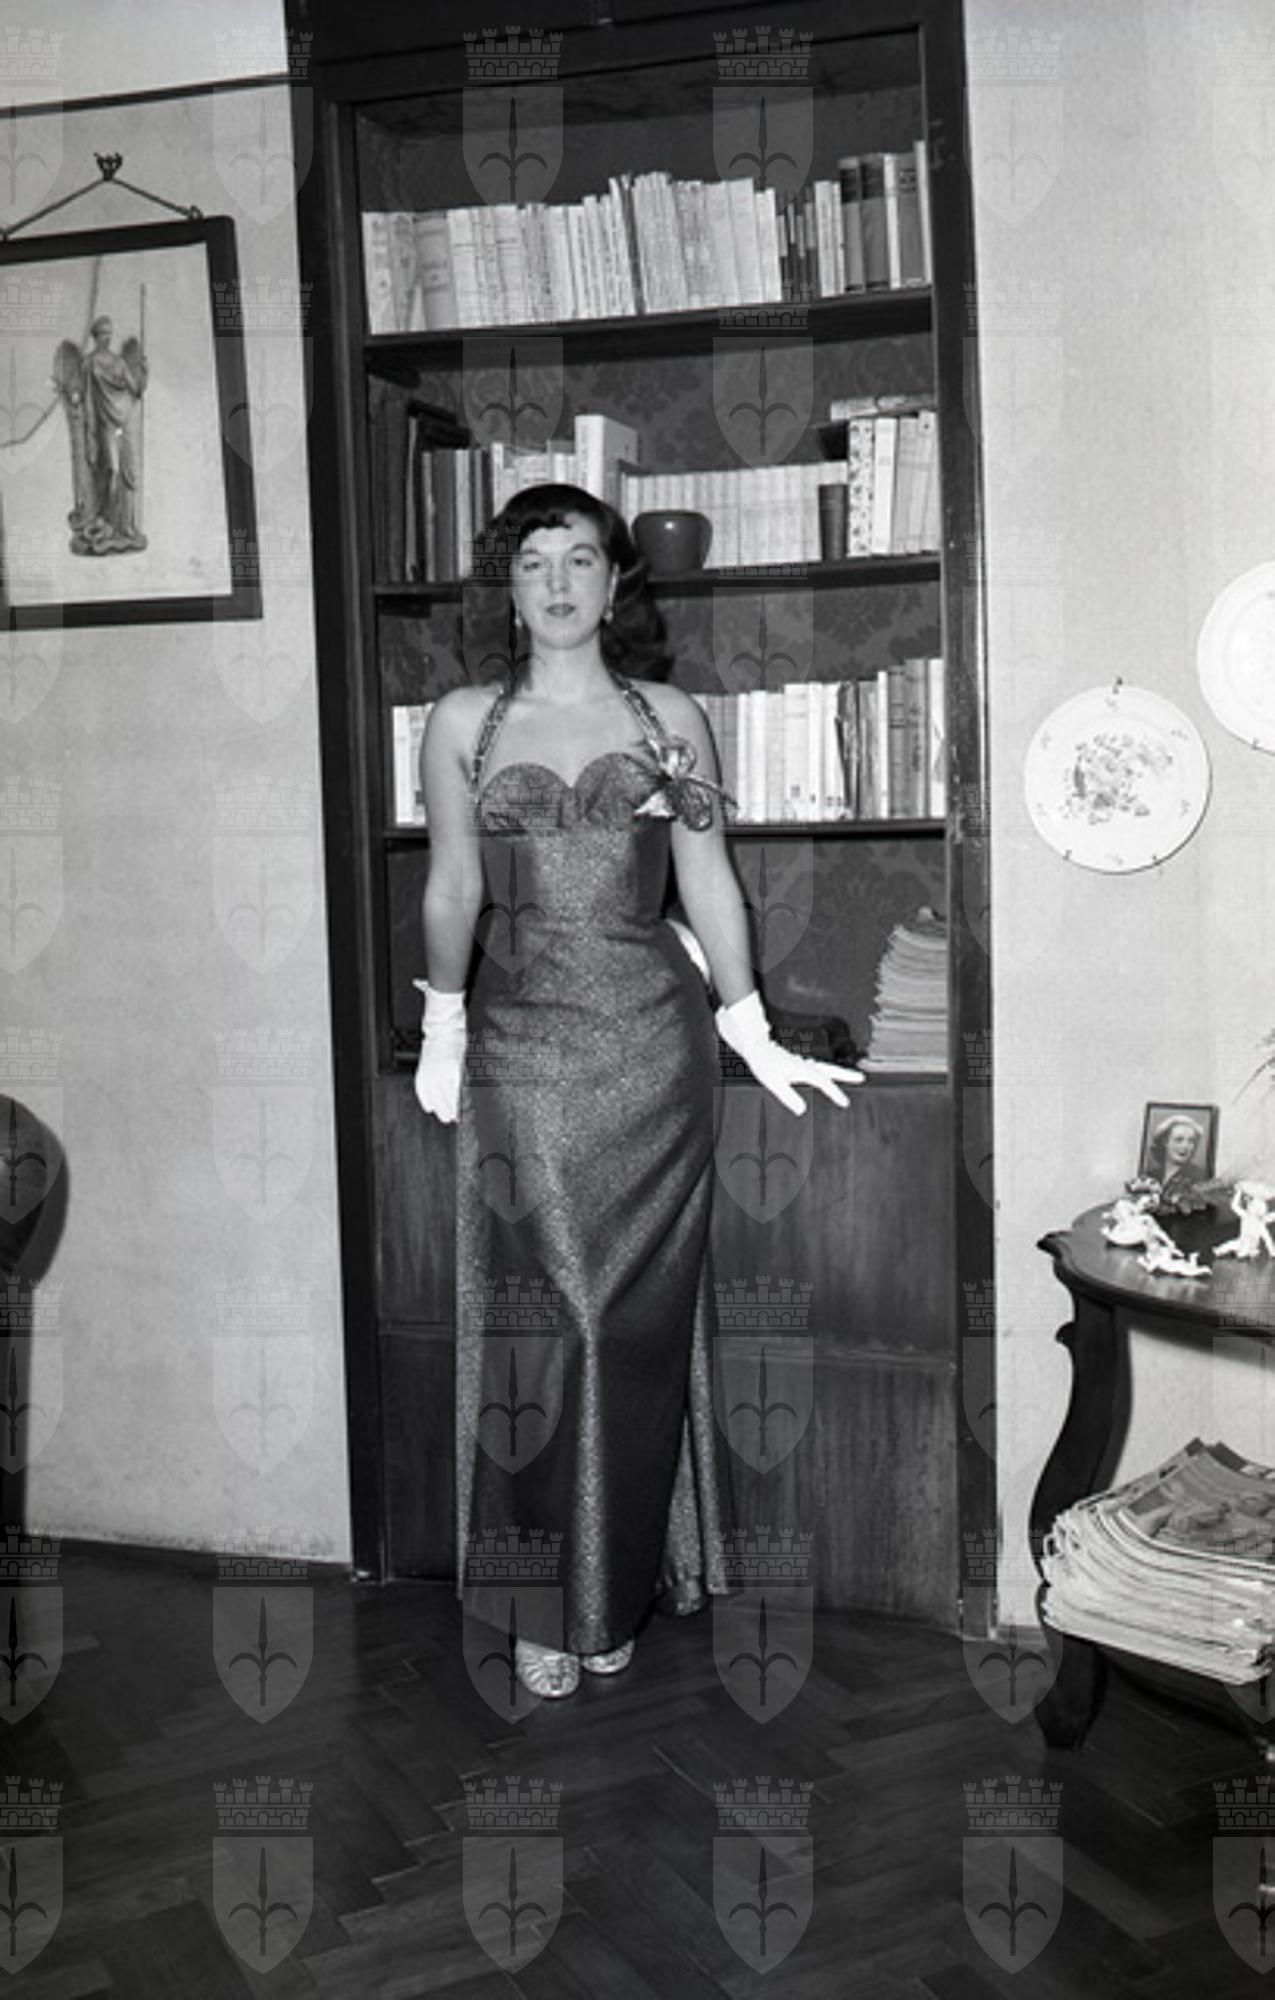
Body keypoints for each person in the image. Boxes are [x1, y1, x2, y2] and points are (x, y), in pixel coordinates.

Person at [414, 483, 862, 1700]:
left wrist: (748, 1023)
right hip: (521, 1049)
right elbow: (453, 885)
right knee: (552, 1320)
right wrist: (443, 1020)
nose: (557, 583)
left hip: (655, 1053)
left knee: (630, 1331)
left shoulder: (671, 717)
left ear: (616, 583)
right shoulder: (462, 721)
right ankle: (545, 1601)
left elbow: (708, 879)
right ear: (507, 588)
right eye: (533, 562)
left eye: (580, 559)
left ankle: (608, 1590)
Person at [1145, 1114, 1206, 1193]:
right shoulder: (1150, 1175)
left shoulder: (1200, 1178)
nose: (1185, 1146)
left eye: (1191, 1141)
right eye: (1179, 1140)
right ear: (1165, 1142)